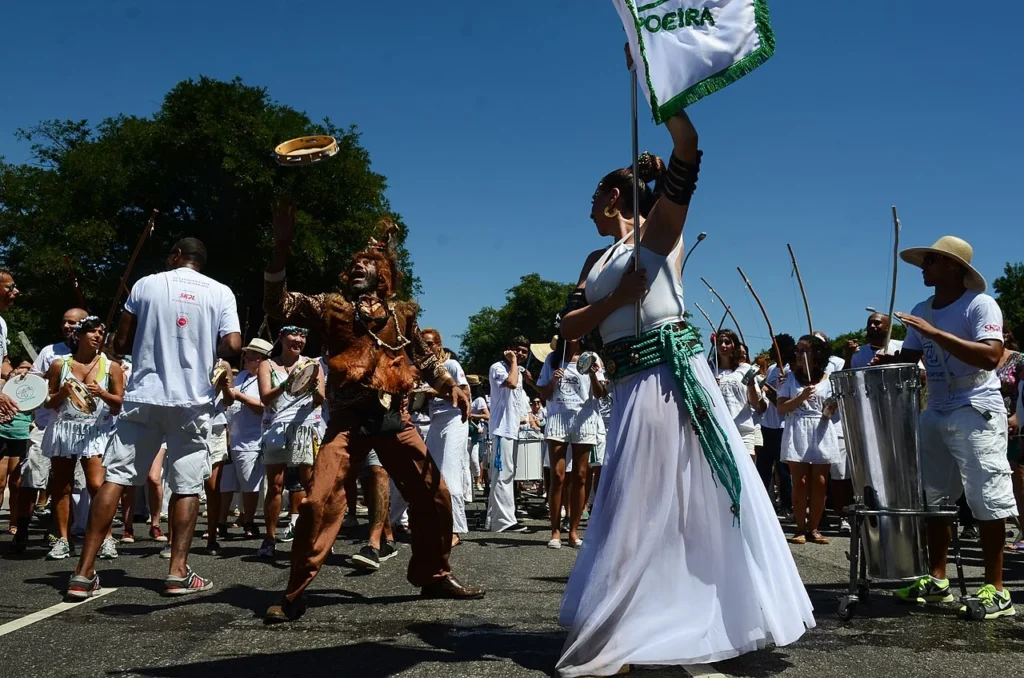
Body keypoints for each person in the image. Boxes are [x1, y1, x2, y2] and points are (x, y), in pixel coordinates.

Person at [555, 72, 812, 675]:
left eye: (593, 199)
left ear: (613, 198)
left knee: (672, 498)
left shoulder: (660, 233)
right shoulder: (597, 260)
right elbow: (570, 328)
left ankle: (692, 619)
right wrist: (617, 300)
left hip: (669, 382)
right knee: (632, 500)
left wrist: (655, 84)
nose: (587, 209)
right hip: (625, 386)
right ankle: (631, 617)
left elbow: (688, 150)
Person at [261, 200, 481, 624]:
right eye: (355, 263)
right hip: (348, 422)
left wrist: (451, 385)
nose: (359, 267)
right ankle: (293, 594)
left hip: (396, 421)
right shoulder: (331, 307)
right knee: (317, 502)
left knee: (436, 496)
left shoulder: (401, 316)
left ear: (386, 277)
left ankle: (434, 574)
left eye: (369, 263)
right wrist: (281, 248)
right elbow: (277, 305)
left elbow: (424, 359)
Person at [65, 237, 241, 600]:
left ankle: (82, 574)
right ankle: (177, 572)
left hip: (144, 396)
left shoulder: (146, 283)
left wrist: (116, 341)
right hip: (192, 401)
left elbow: (123, 342)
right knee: (188, 485)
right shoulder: (221, 292)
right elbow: (233, 346)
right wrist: (205, 343)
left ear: (177, 255)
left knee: (115, 477)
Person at [875, 236, 1016, 619]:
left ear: (953, 267)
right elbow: (909, 361)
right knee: (934, 499)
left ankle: (998, 591)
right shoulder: (924, 308)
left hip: (975, 407)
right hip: (936, 408)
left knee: (987, 497)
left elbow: (991, 357)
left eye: (932, 261)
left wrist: (934, 333)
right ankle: (937, 581)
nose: (924, 267)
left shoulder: (980, 304)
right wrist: (886, 362)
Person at [43, 317, 124, 561]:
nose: (98, 336)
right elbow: (48, 401)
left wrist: (104, 393)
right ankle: (63, 540)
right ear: (79, 336)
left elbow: (119, 404)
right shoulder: (60, 364)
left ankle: (107, 538)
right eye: (93, 332)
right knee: (62, 485)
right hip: (65, 428)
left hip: (95, 431)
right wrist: (64, 392)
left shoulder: (112, 367)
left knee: (97, 485)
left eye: (101, 332)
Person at [256, 326, 325, 558]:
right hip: (276, 427)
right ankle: (270, 538)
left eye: (303, 336)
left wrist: (314, 389)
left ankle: (315, 535)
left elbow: (320, 399)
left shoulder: (313, 365)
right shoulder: (267, 365)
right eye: (293, 336)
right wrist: (289, 383)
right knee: (275, 485)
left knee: (310, 485)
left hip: (306, 427)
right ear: (281, 337)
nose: (298, 340)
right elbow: (265, 397)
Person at [537, 337, 606, 549]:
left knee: (581, 475)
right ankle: (555, 531)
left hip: (584, 419)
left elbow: (601, 393)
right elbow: (543, 393)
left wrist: (594, 375)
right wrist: (553, 381)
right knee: (557, 476)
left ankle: (574, 531)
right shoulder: (552, 359)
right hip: (558, 418)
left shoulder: (592, 358)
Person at [777, 335, 841, 545]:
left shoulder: (828, 378)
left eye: (803, 350)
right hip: (797, 427)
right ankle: (800, 528)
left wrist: (831, 407)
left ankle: (814, 528)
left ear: (816, 355)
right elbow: (782, 407)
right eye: (797, 350)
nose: (798, 354)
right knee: (801, 481)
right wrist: (802, 397)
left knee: (820, 481)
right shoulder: (790, 378)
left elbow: (831, 410)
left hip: (821, 428)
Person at [422, 329, 471, 545]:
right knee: (432, 474)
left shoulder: (451, 366)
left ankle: (455, 529)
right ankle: (435, 523)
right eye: (423, 345)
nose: (427, 348)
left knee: (450, 473)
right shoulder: (426, 370)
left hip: (454, 421)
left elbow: (466, 394)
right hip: (435, 422)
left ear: (439, 345)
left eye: (430, 344)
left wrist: (436, 392)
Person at [218, 339, 271, 540]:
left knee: (250, 484)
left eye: (248, 354)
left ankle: (249, 521)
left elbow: (263, 407)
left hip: (251, 440)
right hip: (232, 438)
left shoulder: (265, 379)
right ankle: (221, 523)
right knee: (226, 485)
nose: (244, 357)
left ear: (258, 358)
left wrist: (239, 396)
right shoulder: (241, 375)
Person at [485, 336, 531, 533]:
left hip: (512, 428)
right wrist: (512, 362)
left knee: (505, 474)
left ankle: (493, 519)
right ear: (509, 349)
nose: (521, 354)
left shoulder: (518, 371)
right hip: (500, 429)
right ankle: (505, 521)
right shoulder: (498, 367)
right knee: (503, 474)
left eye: (524, 351)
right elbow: (510, 383)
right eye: (517, 349)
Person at [756, 334, 796, 516]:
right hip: (767, 425)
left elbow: (781, 403)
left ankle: (787, 505)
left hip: (782, 426)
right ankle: (764, 504)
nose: (771, 350)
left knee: (783, 470)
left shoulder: (790, 371)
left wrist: (769, 389)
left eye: (775, 347)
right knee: (763, 468)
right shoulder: (772, 368)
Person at [714, 329, 760, 461]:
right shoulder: (710, 371)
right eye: (720, 342)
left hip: (743, 430)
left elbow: (755, 403)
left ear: (734, 345)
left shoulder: (745, 369)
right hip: (719, 430)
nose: (723, 346)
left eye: (727, 342)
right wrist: (711, 386)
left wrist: (751, 385)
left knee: (747, 474)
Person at [997, 330, 1024, 549]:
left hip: (1014, 424)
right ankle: (998, 530)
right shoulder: (978, 356)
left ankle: (1023, 532)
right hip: (985, 422)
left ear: (1007, 334)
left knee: (1018, 479)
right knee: (994, 478)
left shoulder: (1018, 358)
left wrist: (1017, 415)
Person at [0, 359, 33, 536]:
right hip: (2, 436)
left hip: (22, 437)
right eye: (20, 367)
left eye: (28, 369)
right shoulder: (3, 388)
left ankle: (14, 522)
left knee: (16, 484)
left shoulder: (34, 389)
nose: (23, 371)